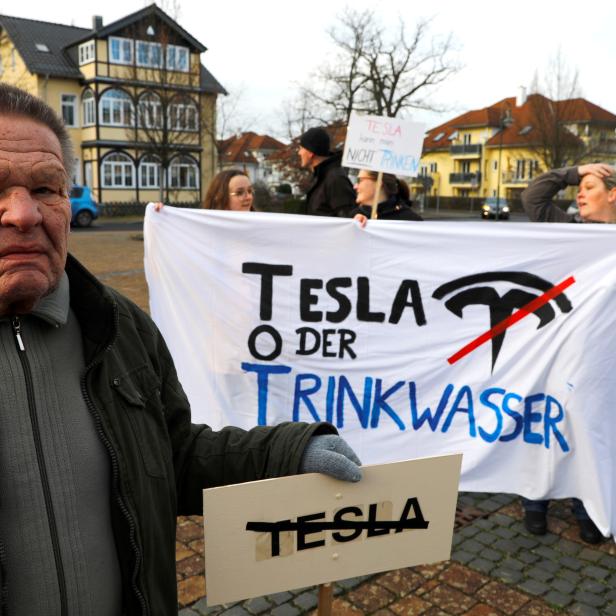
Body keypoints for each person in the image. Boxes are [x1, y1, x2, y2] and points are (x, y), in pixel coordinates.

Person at [0, 83, 361, 615]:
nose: (23, 214)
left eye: (47, 189)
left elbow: (173, 454)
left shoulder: (122, 329)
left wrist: (285, 452)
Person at [520, 162, 616, 544]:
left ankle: (584, 505)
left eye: (589, 187)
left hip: (600, 353)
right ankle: (535, 500)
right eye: (580, 187)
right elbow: (533, 197)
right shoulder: (568, 229)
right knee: (544, 418)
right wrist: (574, 172)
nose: (579, 193)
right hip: (554, 347)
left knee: (586, 427)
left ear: (613, 194)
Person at [298, 126, 357, 217]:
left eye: (301, 148)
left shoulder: (336, 179)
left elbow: (348, 220)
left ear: (310, 152)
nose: (299, 153)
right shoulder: (321, 176)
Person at [155, 168, 255, 212]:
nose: (249, 197)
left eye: (250, 191)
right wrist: (161, 216)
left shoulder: (263, 225)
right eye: (240, 193)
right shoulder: (204, 228)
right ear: (220, 197)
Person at [352, 170, 423, 227]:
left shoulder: (411, 222)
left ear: (379, 183)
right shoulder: (352, 217)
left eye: (360, 180)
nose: (355, 186)